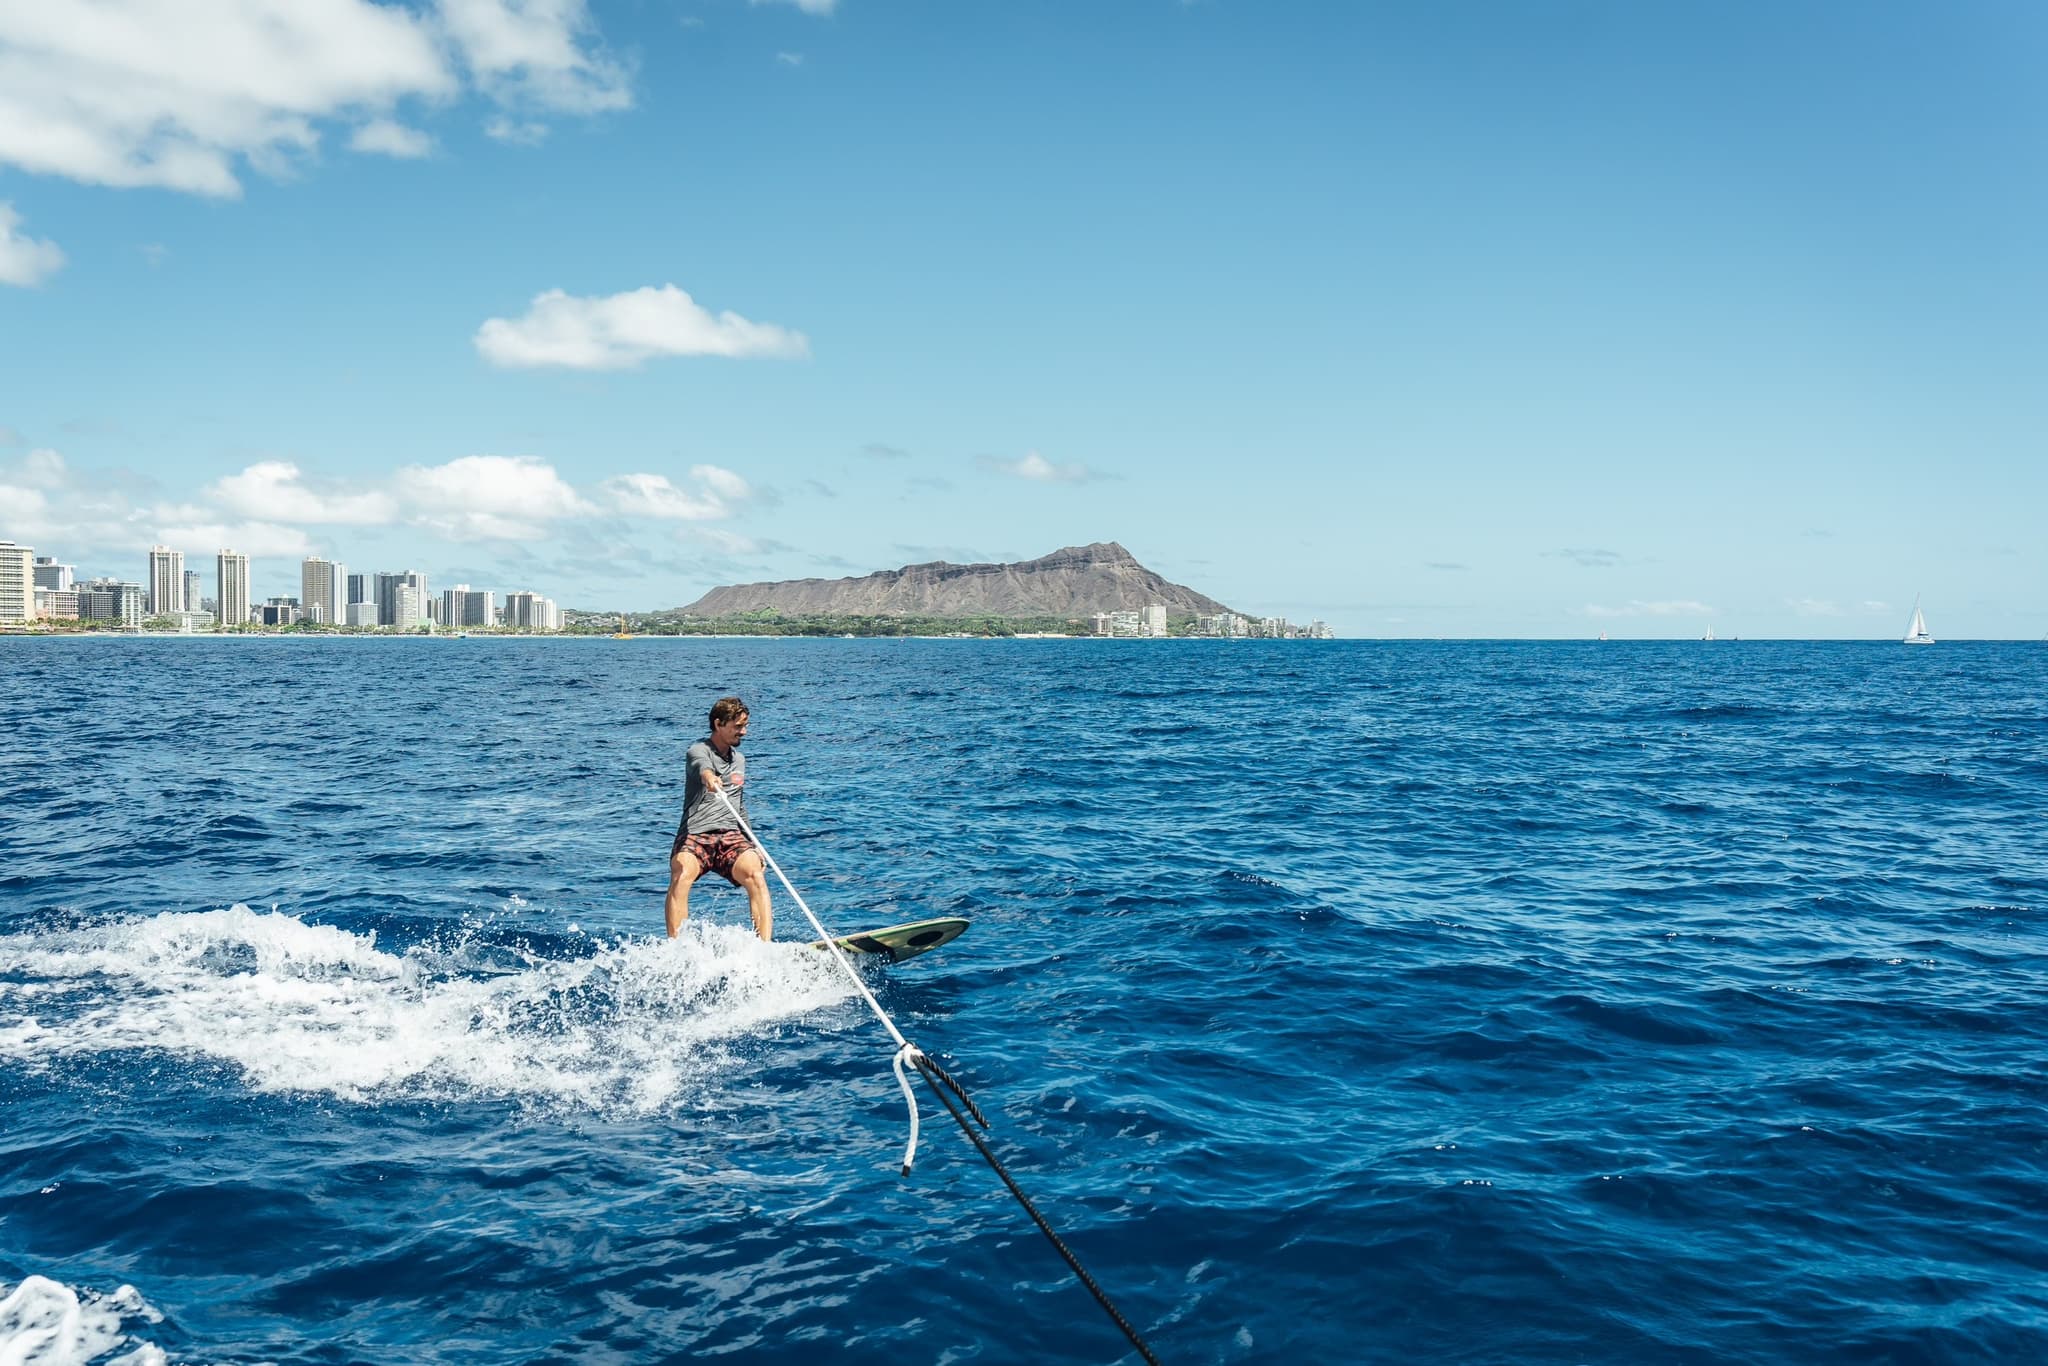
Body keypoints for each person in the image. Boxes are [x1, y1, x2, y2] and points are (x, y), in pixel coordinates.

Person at [665, 696, 773, 940]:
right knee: (681, 873)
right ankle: (677, 948)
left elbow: (738, 805)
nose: (743, 732)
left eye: (745, 725)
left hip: (730, 835)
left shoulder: (740, 760)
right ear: (718, 724)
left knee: (756, 872)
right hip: (696, 834)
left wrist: (754, 844)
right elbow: (700, 764)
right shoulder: (698, 750)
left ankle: (764, 947)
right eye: (738, 726)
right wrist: (708, 776)